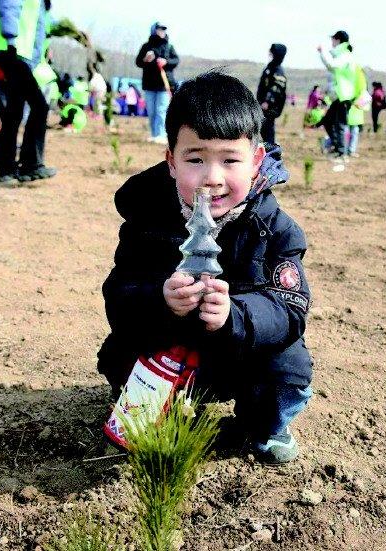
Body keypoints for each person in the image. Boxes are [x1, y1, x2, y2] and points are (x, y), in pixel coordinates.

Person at [97, 72, 312, 464]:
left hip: (235, 357)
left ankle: (266, 426)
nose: (212, 178)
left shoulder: (274, 229)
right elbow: (119, 294)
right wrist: (160, 300)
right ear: (172, 162)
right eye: (195, 159)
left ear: (256, 161)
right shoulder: (146, 220)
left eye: (230, 160)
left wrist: (236, 315)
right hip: (169, 346)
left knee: (288, 365)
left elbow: (290, 308)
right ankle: (151, 409)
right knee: (122, 356)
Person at [0, 0, 56, 184]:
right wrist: (10, 41)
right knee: (39, 106)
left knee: (14, 113)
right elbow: (7, 5)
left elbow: (39, 25)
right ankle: (29, 165)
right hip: (9, 51)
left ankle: (9, 168)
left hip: (18, 54)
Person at [136, 22, 179, 145]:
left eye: (164, 29)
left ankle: (161, 134)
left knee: (161, 110)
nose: (162, 31)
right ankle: (154, 134)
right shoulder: (146, 46)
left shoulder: (169, 47)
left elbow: (176, 60)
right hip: (149, 84)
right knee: (151, 111)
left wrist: (166, 61)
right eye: (159, 29)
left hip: (164, 85)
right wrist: (146, 60)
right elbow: (138, 62)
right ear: (154, 30)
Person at [317, 30, 357, 162]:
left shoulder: (345, 55)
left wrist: (322, 52)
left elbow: (332, 66)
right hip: (339, 96)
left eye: (333, 40)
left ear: (338, 40)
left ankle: (341, 153)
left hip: (343, 96)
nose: (332, 43)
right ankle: (338, 148)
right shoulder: (342, 55)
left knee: (339, 125)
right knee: (328, 121)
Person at [256, 44, 287, 145]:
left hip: (269, 106)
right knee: (263, 129)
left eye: (272, 51)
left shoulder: (278, 70)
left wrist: (267, 101)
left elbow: (276, 87)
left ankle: (271, 153)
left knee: (268, 129)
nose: (270, 53)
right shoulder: (271, 66)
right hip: (264, 104)